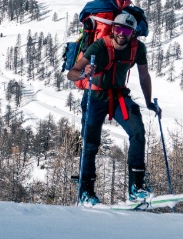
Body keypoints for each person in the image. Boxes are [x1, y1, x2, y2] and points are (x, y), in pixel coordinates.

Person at [66, 12, 157, 205]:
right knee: (90, 143)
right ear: (113, 29)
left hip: (118, 96)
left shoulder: (137, 48)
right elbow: (71, 74)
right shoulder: (99, 46)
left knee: (138, 131)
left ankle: (136, 188)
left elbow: (144, 76)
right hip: (95, 96)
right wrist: (83, 73)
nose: (122, 34)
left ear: (133, 33)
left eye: (127, 30)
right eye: (118, 29)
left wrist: (149, 102)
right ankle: (86, 192)